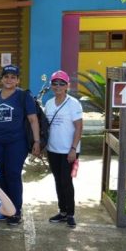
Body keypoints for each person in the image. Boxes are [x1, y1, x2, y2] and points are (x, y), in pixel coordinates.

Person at [0, 64, 41, 226]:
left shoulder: (23, 96)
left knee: (13, 174)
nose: (9, 80)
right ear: (1, 79)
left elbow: (33, 120)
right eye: (6, 76)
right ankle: (3, 209)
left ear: (18, 80)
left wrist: (37, 141)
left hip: (17, 142)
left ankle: (15, 211)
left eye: (13, 77)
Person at [44, 70, 83, 228]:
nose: (58, 86)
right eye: (55, 83)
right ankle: (62, 211)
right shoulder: (49, 103)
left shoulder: (73, 103)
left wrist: (73, 148)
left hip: (69, 150)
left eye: (62, 83)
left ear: (67, 86)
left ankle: (70, 214)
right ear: (51, 85)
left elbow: (79, 127)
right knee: (58, 181)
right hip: (53, 150)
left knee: (66, 181)